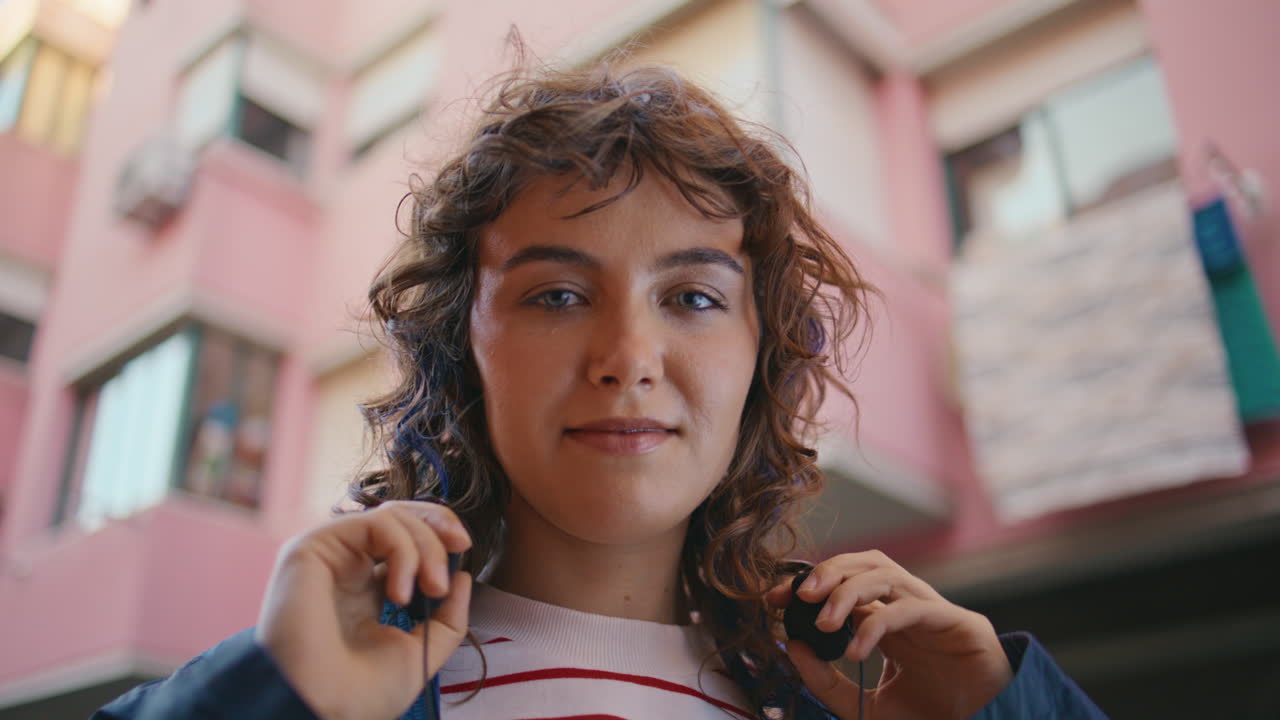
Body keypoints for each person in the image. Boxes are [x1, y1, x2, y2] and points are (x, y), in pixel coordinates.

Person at [94, 60, 1107, 720]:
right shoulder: (331, 679)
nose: (628, 354)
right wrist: (279, 702)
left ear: (762, 359)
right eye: (558, 293)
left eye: (694, 299)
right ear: (461, 345)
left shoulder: (858, 701)